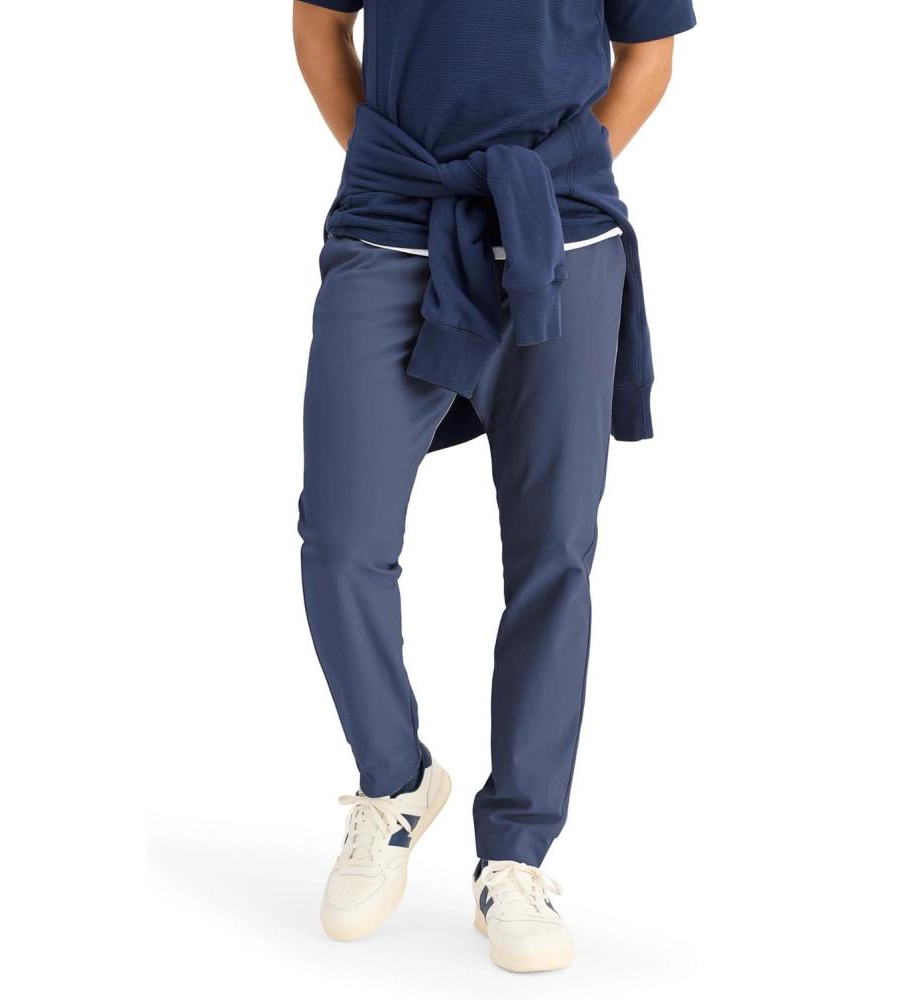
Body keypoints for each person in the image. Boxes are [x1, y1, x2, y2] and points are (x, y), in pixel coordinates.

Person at [293, 0, 695, 972]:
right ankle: (394, 781)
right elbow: (317, 25)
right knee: (341, 539)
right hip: (391, 231)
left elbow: (647, 53)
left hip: (563, 240)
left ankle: (515, 856)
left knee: (553, 555)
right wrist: (395, 169)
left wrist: (541, 188)